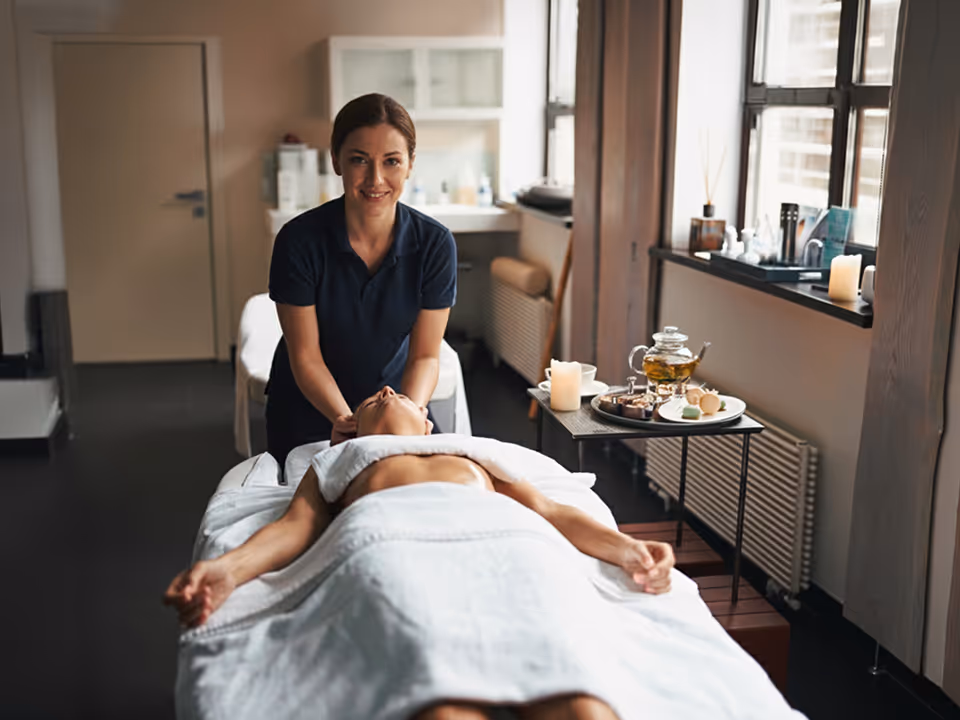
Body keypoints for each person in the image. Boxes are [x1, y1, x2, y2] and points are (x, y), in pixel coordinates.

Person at [165, 386, 675, 720]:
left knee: (579, 701)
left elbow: (550, 511)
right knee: (441, 700)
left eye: (403, 394)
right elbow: (293, 528)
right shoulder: (338, 459)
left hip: (501, 546)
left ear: (430, 425)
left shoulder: (470, 452)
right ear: (353, 428)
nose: (386, 391)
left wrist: (627, 549)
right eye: (371, 399)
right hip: (394, 545)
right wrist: (225, 570)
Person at [266, 93, 457, 468]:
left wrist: (412, 414)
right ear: (336, 160)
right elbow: (305, 356)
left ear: (410, 165)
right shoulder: (299, 241)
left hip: (395, 407)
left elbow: (425, 355)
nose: (375, 179)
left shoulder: (434, 244)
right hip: (308, 409)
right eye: (359, 160)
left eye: (391, 161)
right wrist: (344, 420)